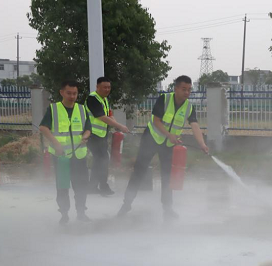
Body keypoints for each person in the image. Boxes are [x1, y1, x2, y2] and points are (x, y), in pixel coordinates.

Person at [118, 75, 208, 220]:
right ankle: (126, 204)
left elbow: (195, 125)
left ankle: (168, 209)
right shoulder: (164, 99)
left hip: (168, 145)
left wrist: (202, 144)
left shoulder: (189, 107)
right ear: (176, 88)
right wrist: (169, 135)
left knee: (167, 176)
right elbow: (156, 121)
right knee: (139, 171)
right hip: (151, 139)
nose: (187, 93)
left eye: (189, 90)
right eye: (184, 89)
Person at [39, 80, 92, 224]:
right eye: (69, 93)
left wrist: (85, 136)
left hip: (79, 155)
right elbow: (43, 127)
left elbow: (88, 128)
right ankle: (64, 214)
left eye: (75, 93)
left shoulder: (82, 109)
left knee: (81, 185)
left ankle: (81, 213)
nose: (72, 96)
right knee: (63, 185)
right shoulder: (54, 109)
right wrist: (56, 143)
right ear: (62, 92)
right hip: (61, 156)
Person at [85, 76, 129, 195]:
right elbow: (101, 117)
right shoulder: (93, 99)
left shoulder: (104, 99)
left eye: (109, 87)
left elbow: (109, 114)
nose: (107, 89)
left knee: (99, 160)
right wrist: (120, 126)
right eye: (104, 87)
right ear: (97, 87)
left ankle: (92, 186)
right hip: (92, 135)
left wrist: (115, 124)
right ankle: (103, 187)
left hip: (101, 135)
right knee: (103, 159)